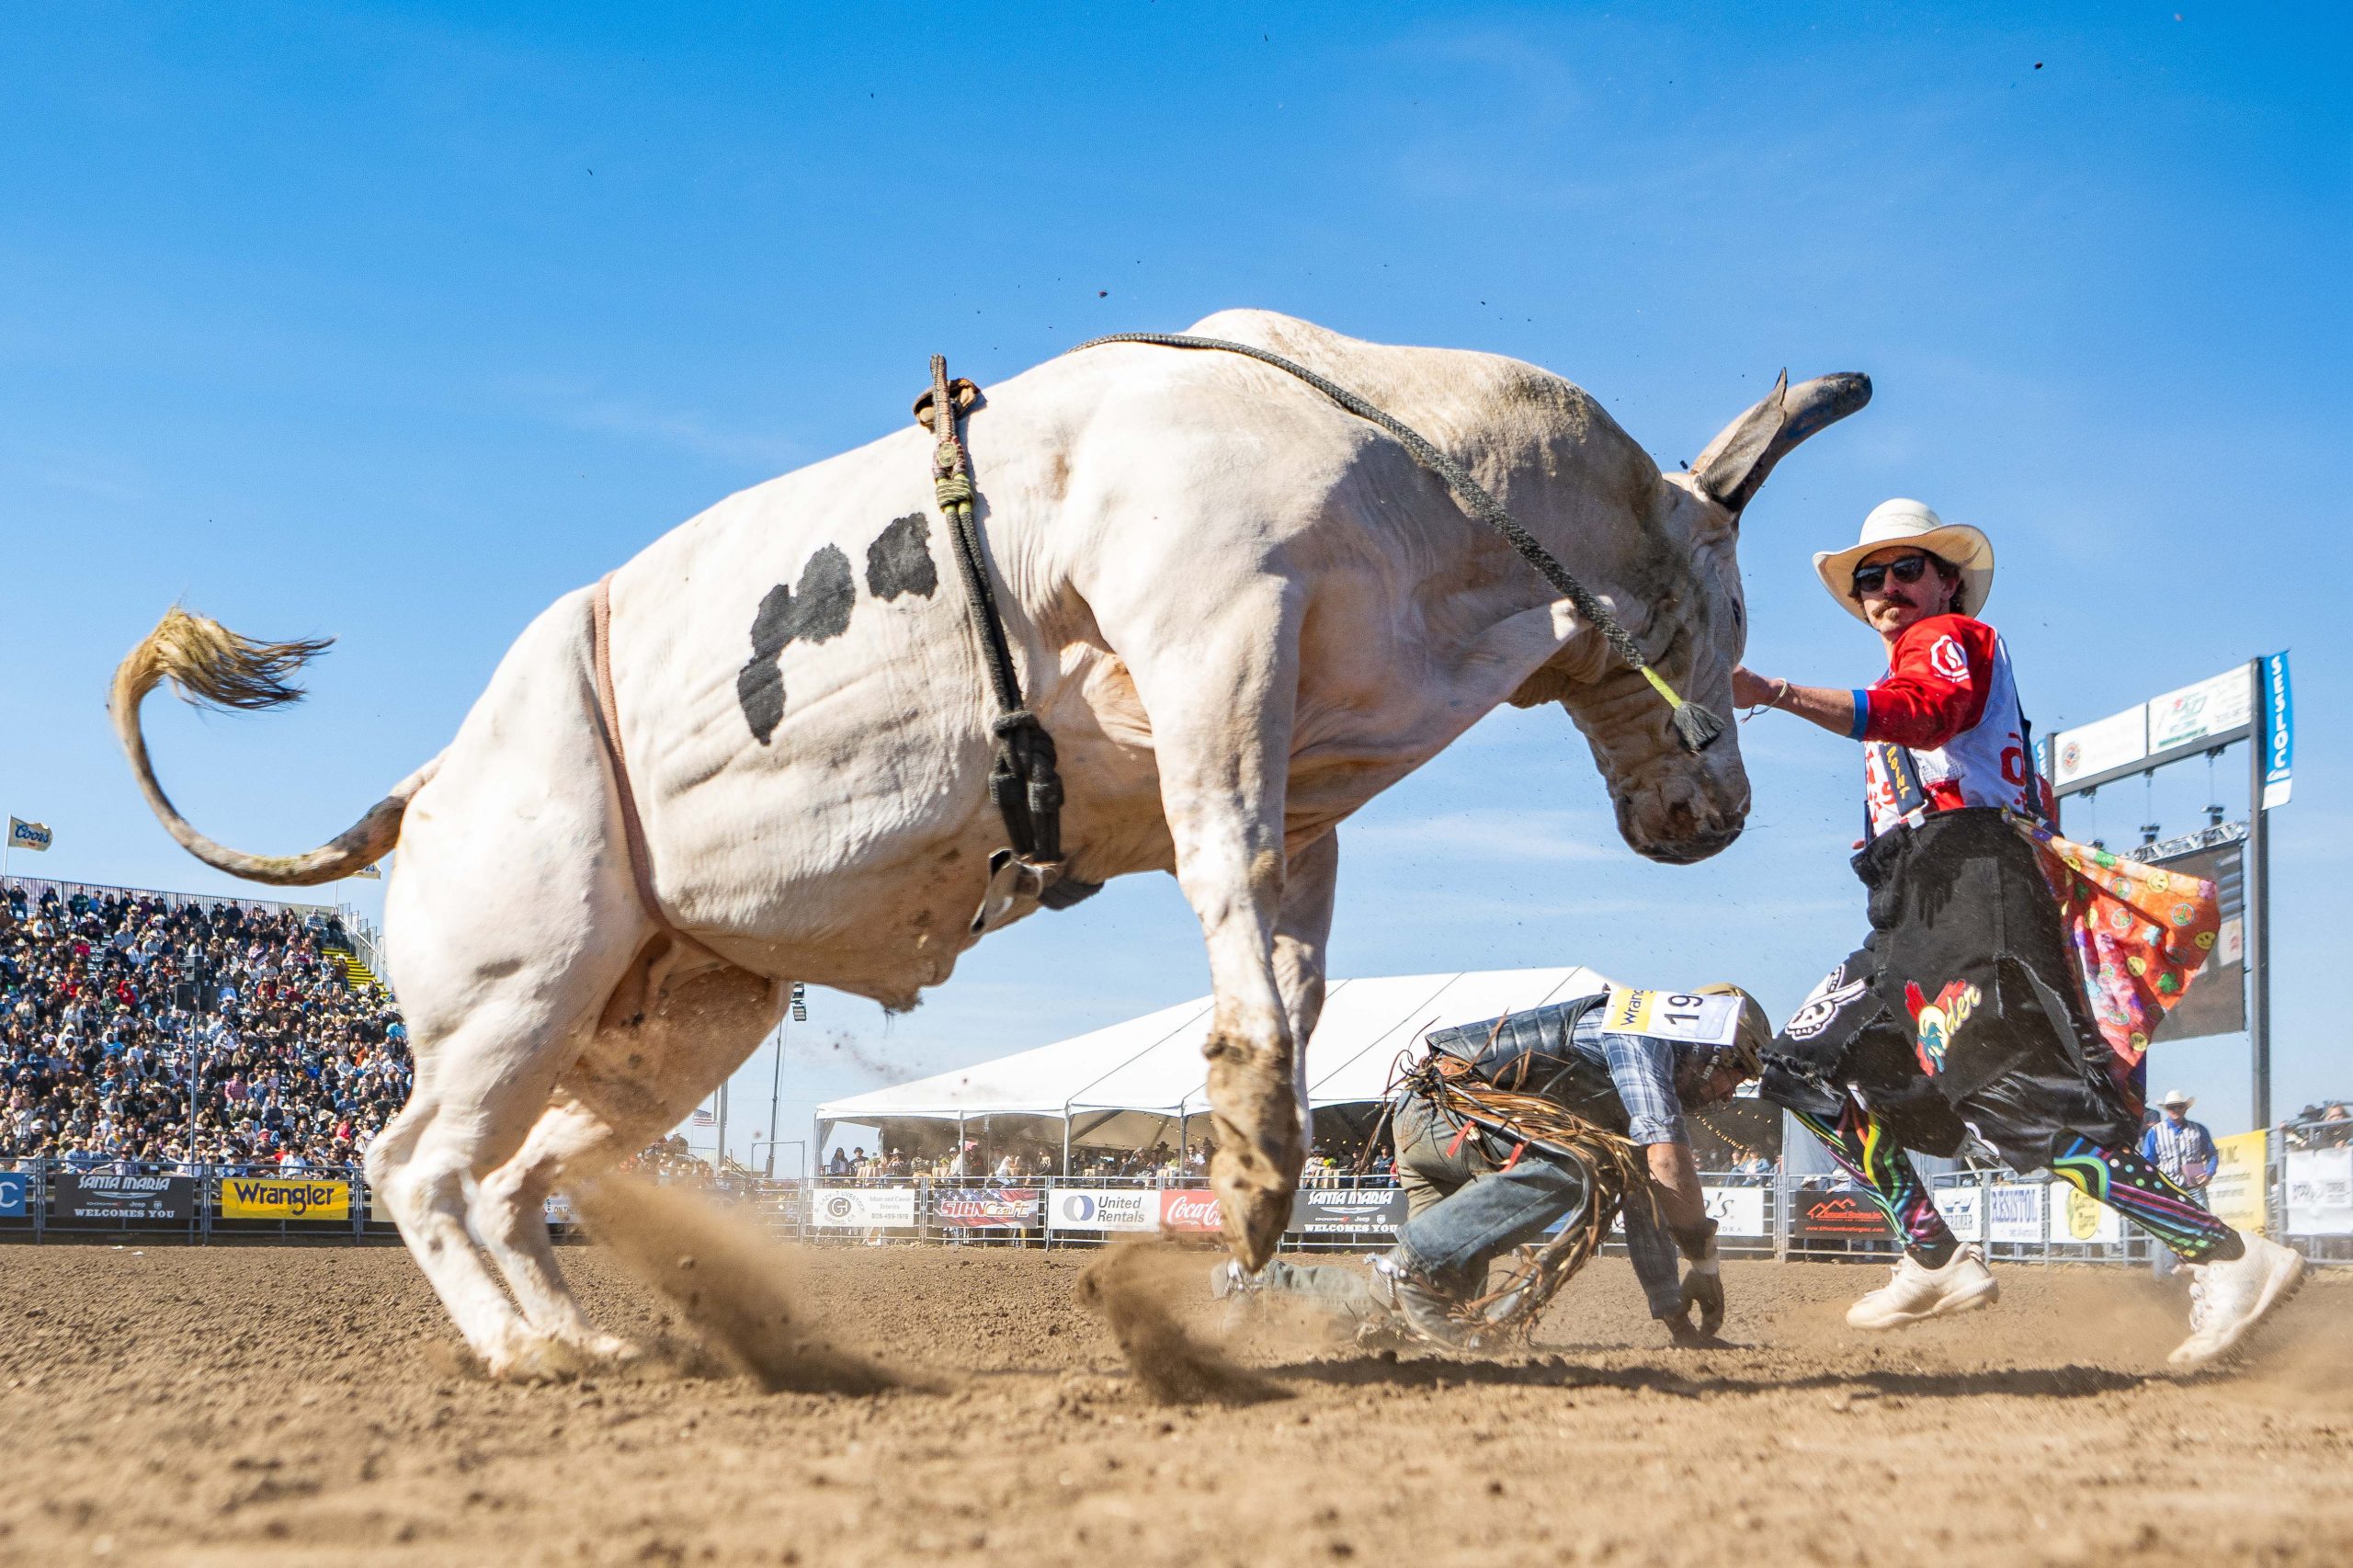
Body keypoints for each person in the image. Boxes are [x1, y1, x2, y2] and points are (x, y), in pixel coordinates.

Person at [1733, 499, 2302, 1368]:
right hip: (1920, 898)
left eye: (1904, 569)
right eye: (1868, 578)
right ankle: (1930, 1252)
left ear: (1948, 581)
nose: (1885, 588)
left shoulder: (1949, 638)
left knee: (2011, 1102)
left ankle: (2226, 1255)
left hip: (1965, 885)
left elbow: (1926, 712)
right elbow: (2009, 780)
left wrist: (1773, 691)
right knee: (1804, 1063)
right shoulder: (1930, 653)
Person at [1215, 983, 1769, 1350]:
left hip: (1445, 1128)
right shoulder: (1643, 1032)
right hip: (1448, 1117)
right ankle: (1408, 1262)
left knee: (1421, 1312)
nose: (1726, 1095)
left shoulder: (1643, 1073)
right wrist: (1703, 1257)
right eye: (1733, 1075)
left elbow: (1646, 1188)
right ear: (1709, 1046)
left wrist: (1676, 1318)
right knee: (1588, 1166)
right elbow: (1664, 1159)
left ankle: (1258, 1284)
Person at [2141, 1089, 2219, 1279]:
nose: (2175, 1110)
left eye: (2179, 1106)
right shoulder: (2155, 1133)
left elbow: (2212, 1155)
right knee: (2168, 1231)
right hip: (2168, 1188)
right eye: (2171, 1107)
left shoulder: (2198, 1130)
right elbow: (2147, 1161)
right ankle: (2166, 1275)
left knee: (2203, 1227)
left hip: (2194, 1187)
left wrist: (2208, 1173)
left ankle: (2199, 1273)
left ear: (2185, 1108)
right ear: (2167, 1109)